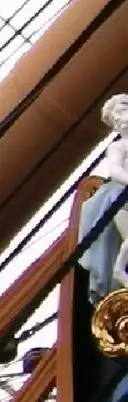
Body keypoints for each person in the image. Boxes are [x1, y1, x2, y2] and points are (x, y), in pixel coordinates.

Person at [79, 93, 128, 300]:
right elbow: (115, 170)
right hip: (124, 197)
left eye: (122, 110)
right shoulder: (119, 146)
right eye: (115, 116)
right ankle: (119, 270)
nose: (119, 117)